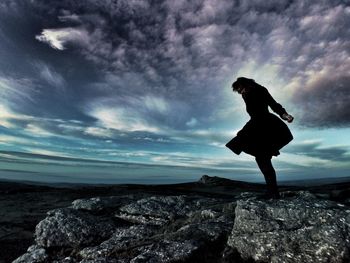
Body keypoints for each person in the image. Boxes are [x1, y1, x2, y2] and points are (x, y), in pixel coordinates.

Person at [226, 77, 294, 199]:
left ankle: (273, 192)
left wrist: (285, 115)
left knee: (262, 157)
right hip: (254, 125)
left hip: (266, 125)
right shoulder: (245, 95)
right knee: (261, 158)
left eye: (241, 89)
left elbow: (273, 104)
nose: (241, 93)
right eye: (239, 91)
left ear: (247, 85)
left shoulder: (260, 90)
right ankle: (273, 192)